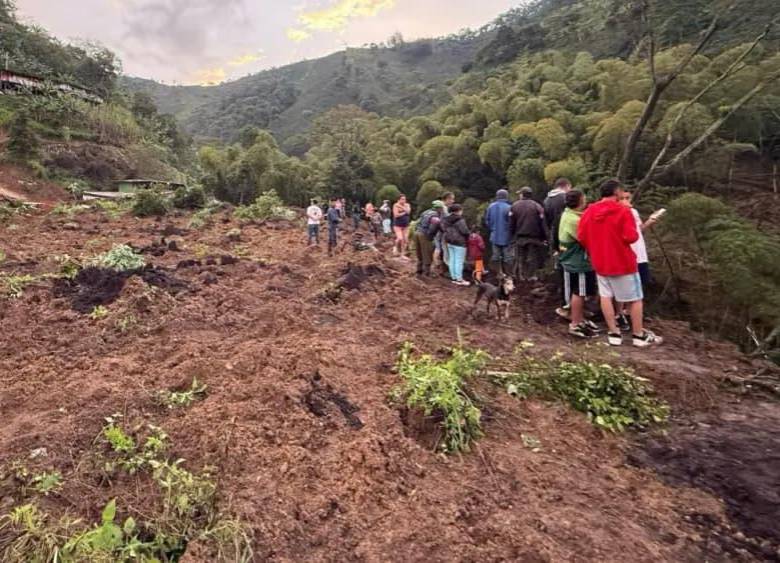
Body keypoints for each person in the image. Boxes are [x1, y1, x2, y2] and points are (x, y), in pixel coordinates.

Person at [578, 179, 663, 347]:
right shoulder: (623, 212)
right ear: (617, 193)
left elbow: (581, 236)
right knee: (636, 299)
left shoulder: (589, 211)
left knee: (606, 296)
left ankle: (614, 333)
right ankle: (638, 335)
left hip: (600, 261)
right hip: (622, 262)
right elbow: (632, 236)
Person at [558, 190, 599, 339]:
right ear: (580, 202)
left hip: (571, 259)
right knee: (579, 292)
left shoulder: (568, 214)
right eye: (584, 199)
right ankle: (575, 324)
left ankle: (579, 319)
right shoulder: (574, 220)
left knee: (580, 291)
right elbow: (586, 238)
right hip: (578, 261)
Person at [616, 190, 659, 330]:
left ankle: (630, 313)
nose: (626, 200)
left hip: (640, 253)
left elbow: (639, 229)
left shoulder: (633, 212)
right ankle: (619, 314)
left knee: (638, 285)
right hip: (627, 254)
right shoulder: (616, 213)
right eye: (623, 198)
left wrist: (650, 222)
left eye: (628, 198)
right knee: (623, 286)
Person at [510, 186, 548, 281]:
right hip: (534, 237)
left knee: (520, 257)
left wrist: (512, 236)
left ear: (522, 194)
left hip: (520, 236)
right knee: (533, 258)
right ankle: (532, 276)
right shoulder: (537, 206)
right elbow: (542, 223)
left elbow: (511, 224)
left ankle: (521, 277)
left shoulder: (514, 206)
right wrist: (544, 237)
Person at [484, 189, 513, 275]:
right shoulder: (509, 207)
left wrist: (492, 229)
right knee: (507, 257)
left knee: (495, 256)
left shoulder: (490, 206)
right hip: (507, 237)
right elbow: (511, 223)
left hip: (494, 235)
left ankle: (497, 274)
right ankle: (508, 275)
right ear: (506, 196)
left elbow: (487, 221)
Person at [414, 200, 445, 276]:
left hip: (417, 233)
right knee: (427, 254)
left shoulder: (425, 212)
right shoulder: (435, 216)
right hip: (424, 235)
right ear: (439, 208)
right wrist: (430, 237)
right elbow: (433, 228)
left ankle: (419, 270)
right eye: (442, 208)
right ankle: (426, 273)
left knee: (420, 253)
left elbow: (417, 223)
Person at [442, 203, 470, 286]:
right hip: (459, 242)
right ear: (458, 211)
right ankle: (459, 279)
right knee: (459, 261)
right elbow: (465, 231)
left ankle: (453, 277)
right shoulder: (460, 219)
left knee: (452, 260)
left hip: (449, 241)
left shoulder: (446, 219)